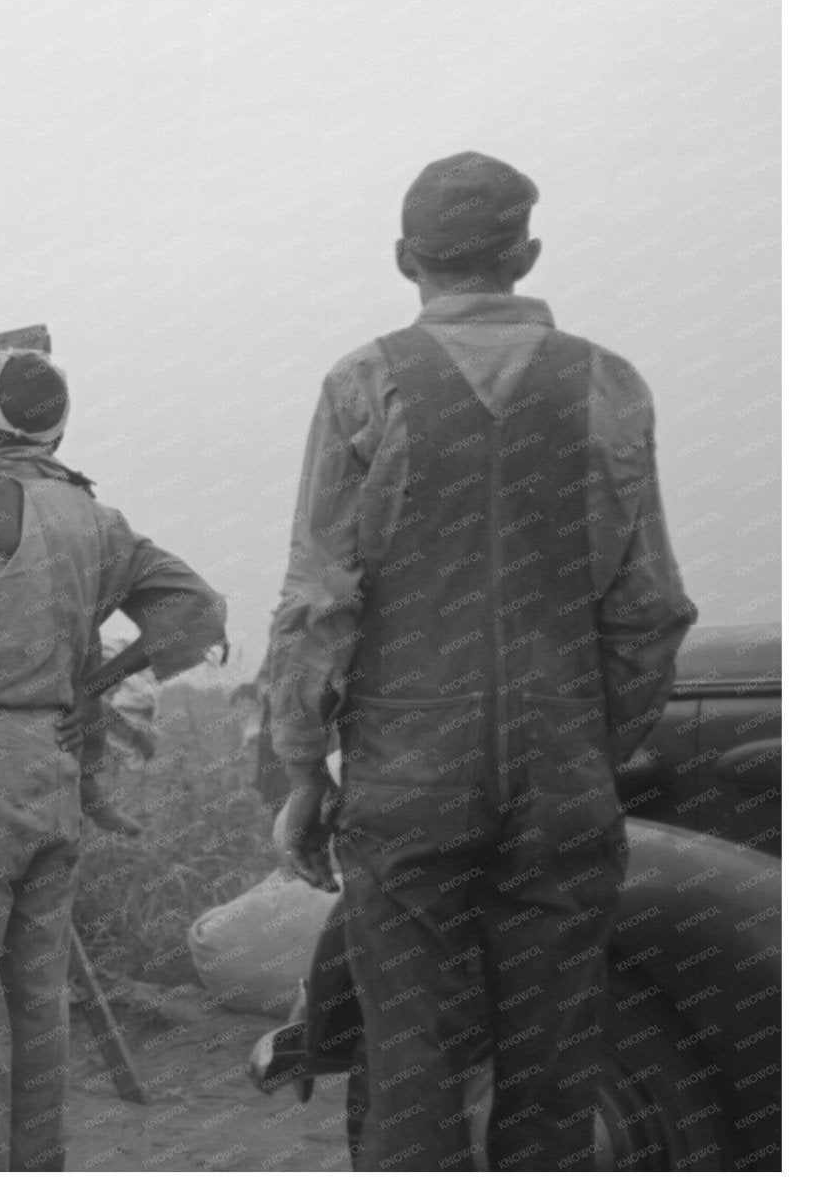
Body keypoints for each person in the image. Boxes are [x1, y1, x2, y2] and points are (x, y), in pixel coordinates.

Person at [265, 152, 696, 1170]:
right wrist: (587, 741)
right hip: (559, 775)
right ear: (527, 254)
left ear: (402, 258)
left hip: (407, 777)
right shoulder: (608, 384)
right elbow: (647, 610)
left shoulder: (361, 383)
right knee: (552, 1070)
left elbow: (317, 602)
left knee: (411, 1061)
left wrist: (300, 770)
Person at [0, 348, 228, 1170]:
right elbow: (199, 609)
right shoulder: (98, 521)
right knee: (37, 997)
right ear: (58, 428)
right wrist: (94, 682)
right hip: (54, 765)